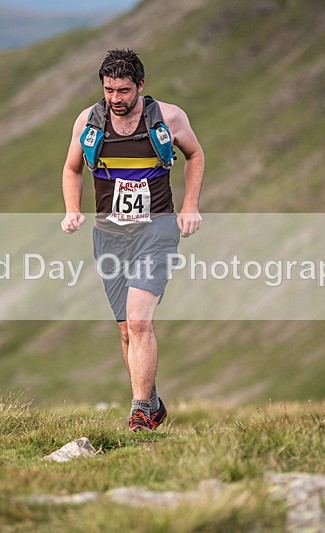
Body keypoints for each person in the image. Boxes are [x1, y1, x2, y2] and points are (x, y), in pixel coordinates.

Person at [60, 49, 205, 432]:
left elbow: (195, 154)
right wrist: (72, 209)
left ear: (141, 86)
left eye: (123, 90)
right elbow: (72, 167)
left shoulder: (168, 118)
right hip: (109, 235)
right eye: (109, 89)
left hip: (156, 230)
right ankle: (153, 402)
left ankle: (139, 411)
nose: (115, 98)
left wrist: (190, 206)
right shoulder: (89, 122)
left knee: (139, 322)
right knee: (126, 330)